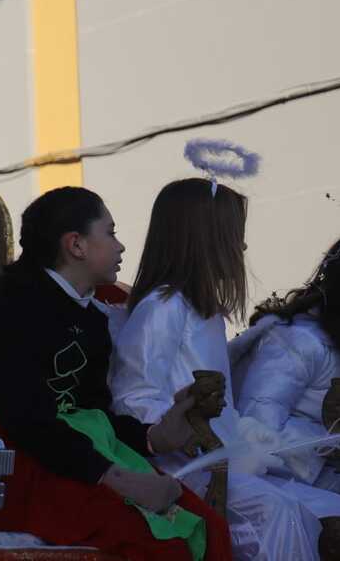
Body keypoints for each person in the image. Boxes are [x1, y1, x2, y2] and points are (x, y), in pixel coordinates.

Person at [0, 186, 233, 561]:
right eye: (110, 232)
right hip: (30, 472)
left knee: (209, 528)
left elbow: (95, 414)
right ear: (76, 245)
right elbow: (29, 425)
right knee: (157, 544)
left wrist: (157, 436)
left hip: (82, 461)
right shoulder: (14, 313)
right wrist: (121, 480)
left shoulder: (90, 320)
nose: (120, 246)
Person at [111, 179, 323, 561]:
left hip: (229, 466)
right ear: (204, 239)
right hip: (185, 471)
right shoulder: (162, 307)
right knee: (282, 514)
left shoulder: (206, 313)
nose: (241, 248)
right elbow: (132, 397)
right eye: (234, 236)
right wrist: (186, 428)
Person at [231, 237, 340, 555]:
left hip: (319, 479)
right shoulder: (300, 342)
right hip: (271, 485)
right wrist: (329, 441)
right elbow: (254, 434)